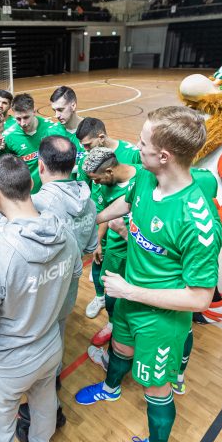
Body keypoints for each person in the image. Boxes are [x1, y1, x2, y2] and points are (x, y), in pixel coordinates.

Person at [75, 106, 222, 442]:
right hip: (129, 296)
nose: (134, 147)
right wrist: (88, 221)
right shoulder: (143, 177)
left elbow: (200, 298)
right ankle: (110, 389)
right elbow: (123, 207)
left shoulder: (198, 221)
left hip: (160, 319)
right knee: (121, 350)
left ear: (164, 155)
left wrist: (131, 291)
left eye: (142, 143)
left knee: (157, 386)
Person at [0, 155, 82, 442]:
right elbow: (75, 278)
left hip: (8, 362)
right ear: (31, 184)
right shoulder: (65, 233)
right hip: (49, 344)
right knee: (44, 403)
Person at [18, 136, 97, 427]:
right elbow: (89, 247)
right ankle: (54, 378)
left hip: (40, 290)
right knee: (59, 333)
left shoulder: (36, 204)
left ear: (40, 165)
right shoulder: (88, 201)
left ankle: (42, 396)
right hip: (68, 289)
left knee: (36, 340)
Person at [75, 117, 141, 321]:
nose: (85, 149)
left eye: (88, 144)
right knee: (100, 264)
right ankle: (100, 298)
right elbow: (93, 197)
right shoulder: (90, 165)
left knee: (127, 275)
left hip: (128, 237)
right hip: (103, 227)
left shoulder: (133, 159)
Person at [81, 147, 142, 366]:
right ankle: (113, 324)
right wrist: (98, 240)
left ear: (109, 172)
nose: (95, 184)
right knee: (112, 295)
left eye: (97, 179)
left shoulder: (144, 176)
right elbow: (105, 213)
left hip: (141, 253)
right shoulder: (104, 187)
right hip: (115, 251)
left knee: (137, 296)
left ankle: (130, 337)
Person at [2, 93, 71, 193]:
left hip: (53, 191)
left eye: (26, 117)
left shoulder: (52, 129)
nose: (22, 123)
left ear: (34, 112)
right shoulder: (8, 137)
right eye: (18, 119)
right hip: (27, 193)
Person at [50, 85, 86, 172]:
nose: (57, 115)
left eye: (60, 110)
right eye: (54, 111)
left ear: (73, 106)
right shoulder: (51, 133)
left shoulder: (92, 128)